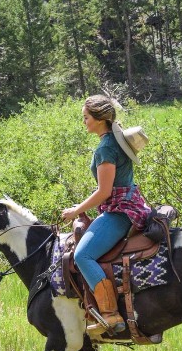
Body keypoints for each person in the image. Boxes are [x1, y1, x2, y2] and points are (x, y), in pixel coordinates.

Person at [61, 95, 151, 335]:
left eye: (86, 117)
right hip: (129, 205)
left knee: (83, 255)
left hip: (119, 212)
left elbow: (104, 192)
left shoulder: (106, 148)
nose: (84, 122)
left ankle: (110, 315)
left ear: (100, 119)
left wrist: (75, 211)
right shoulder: (115, 140)